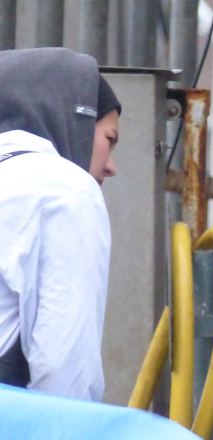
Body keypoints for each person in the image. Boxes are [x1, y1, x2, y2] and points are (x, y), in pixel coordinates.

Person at [0, 48, 121, 401]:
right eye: (109, 139)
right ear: (74, 117)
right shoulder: (65, 190)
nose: (111, 166)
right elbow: (66, 370)